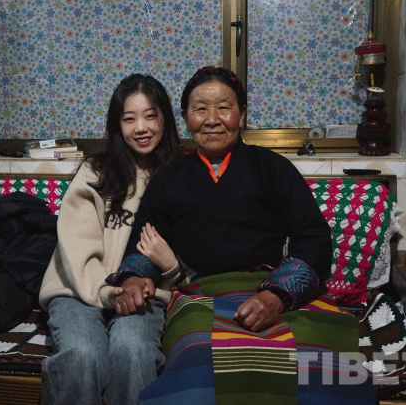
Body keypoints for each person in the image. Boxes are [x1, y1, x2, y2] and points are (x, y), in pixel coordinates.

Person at [107, 67, 377, 404]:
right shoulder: (168, 179)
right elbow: (142, 244)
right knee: (199, 368)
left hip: (274, 290)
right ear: (186, 117)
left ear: (243, 115)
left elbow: (314, 240)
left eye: (224, 107)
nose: (212, 120)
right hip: (199, 296)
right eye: (200, 109)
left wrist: (277, 296)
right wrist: (134, 278)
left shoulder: (274, 168)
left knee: (318, 370)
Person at [38, 74, 184, 405]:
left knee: (132, 350)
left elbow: (192, 255)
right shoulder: (96, 171)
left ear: (165, 118)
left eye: (150, 116)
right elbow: (77, 247)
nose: (141, 127)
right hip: (77, 290)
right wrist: (107, 293)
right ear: (117, 125)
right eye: (129, 119)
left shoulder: (181, 175)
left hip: (146, 296)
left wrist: (171, 269)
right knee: (83, 353)